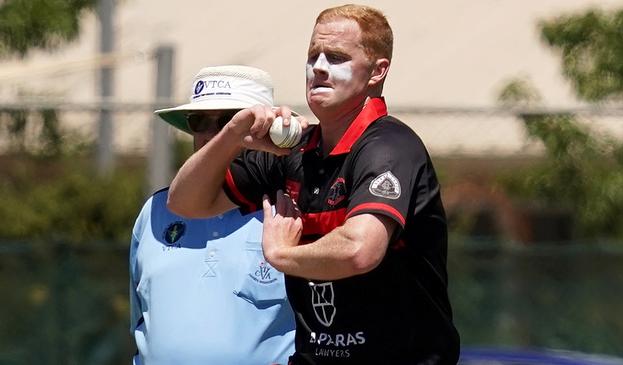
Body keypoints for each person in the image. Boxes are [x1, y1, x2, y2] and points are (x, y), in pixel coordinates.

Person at [167, 4, 460, 364]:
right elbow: (185, 202)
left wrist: (282, 255)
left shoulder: (389, 146)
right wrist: (233, 134)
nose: (319, 67)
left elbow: (359, 250)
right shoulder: (294, 150)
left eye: (336, 57)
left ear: (377, 71)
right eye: (312, 56)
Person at [129, 65, 296, 365]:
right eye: (199, 121)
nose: (210, 135)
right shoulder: (154, 210)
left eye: (228, 122)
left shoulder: (292, 208)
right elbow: (141, 322)